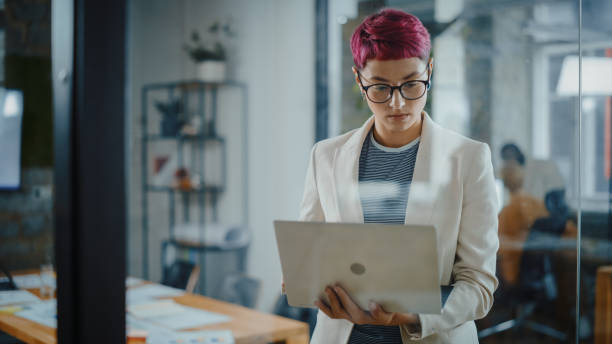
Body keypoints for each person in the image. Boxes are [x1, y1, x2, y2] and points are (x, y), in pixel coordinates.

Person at [296, 9, 499, 344]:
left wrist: (410, 315)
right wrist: (309, 283)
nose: (397, 103)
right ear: (359, 81)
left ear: (429, 70)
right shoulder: (326, 156)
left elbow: (478, 287)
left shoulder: (469, 159)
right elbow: (310, 256)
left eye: (411, 84)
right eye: (380, 88)